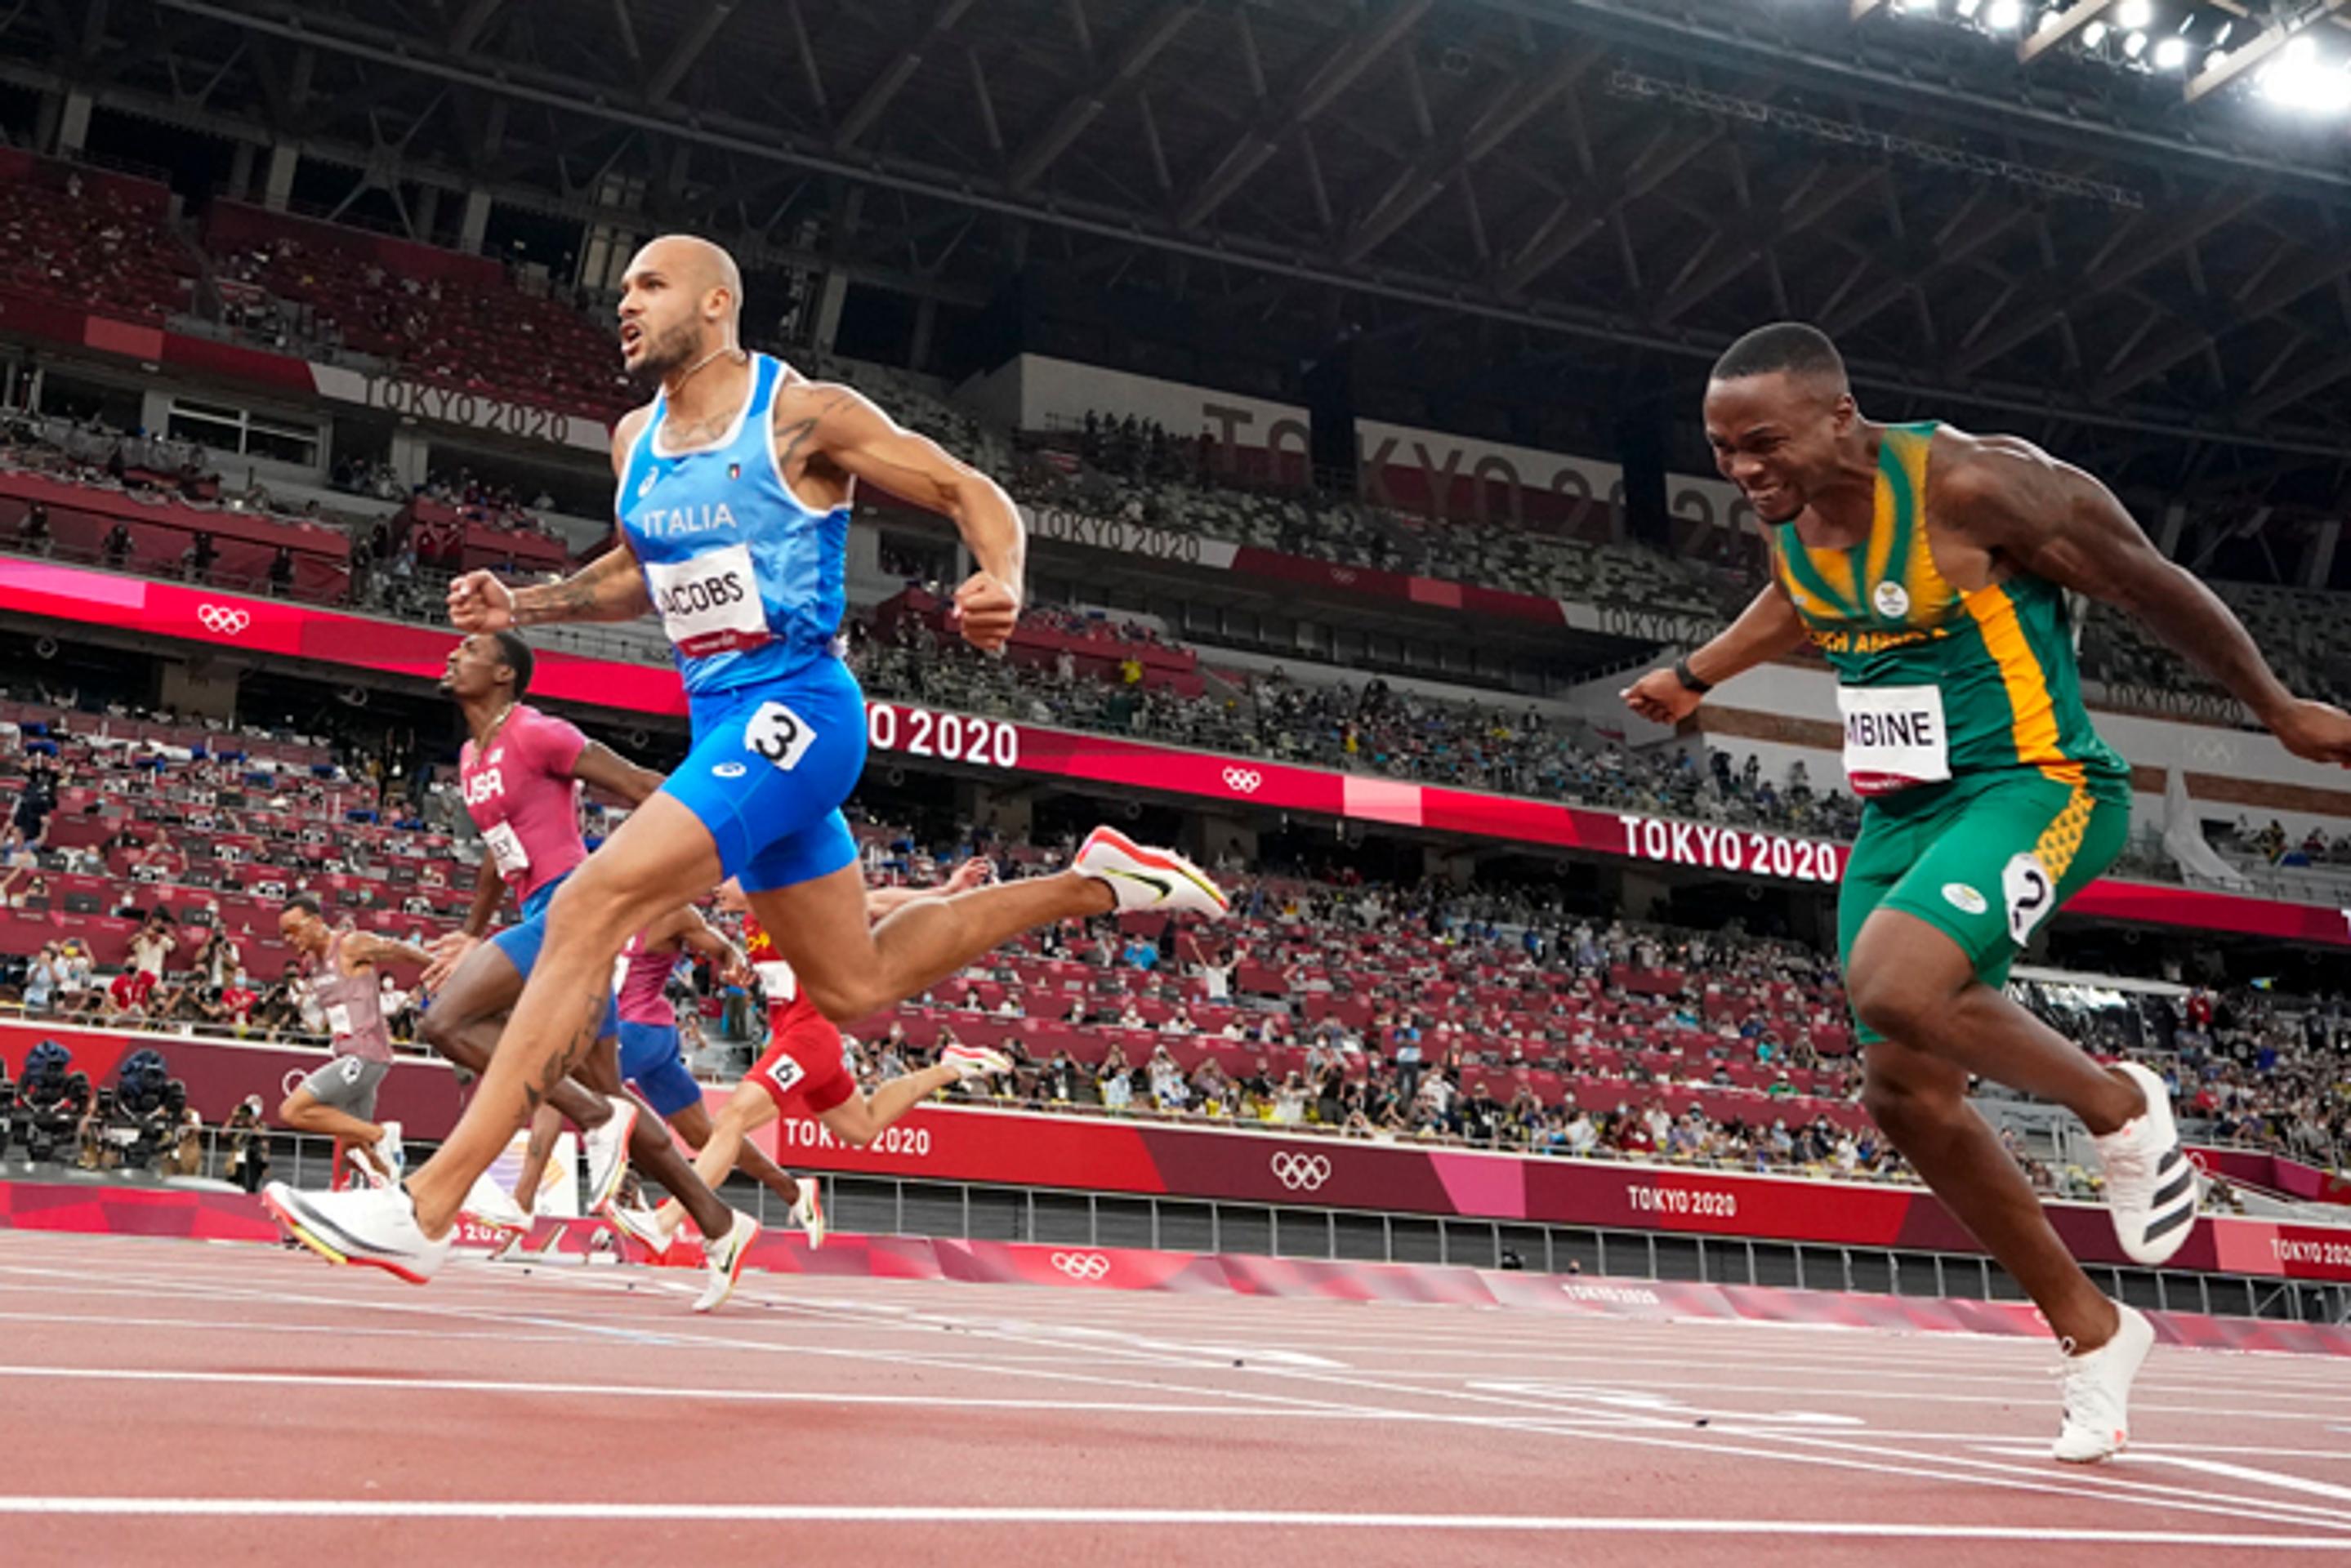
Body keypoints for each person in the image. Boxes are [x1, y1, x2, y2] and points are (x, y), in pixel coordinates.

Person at [262, 233, 1227, 1283]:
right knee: (855, 986)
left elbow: (966, 489)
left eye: (648, 284)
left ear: (716, 303)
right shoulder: (636, 437)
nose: (622, 302)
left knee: (591, 905)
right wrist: (525, 602)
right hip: (726, 727)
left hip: (801, 709)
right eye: (622, 286)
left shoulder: (802, 414)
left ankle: (431, 1206)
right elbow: (642, 572)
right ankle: (1102, 882)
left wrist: (1001, 578)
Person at [1622, 321, 2351, 1463]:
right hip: (1899, 812)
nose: (1743, 469)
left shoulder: (1977, 483)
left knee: (1899, 986)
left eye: (1761, 443)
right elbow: (1807, 601)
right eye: (1721, 451)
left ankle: (2119, 1106)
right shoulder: (1794, 520)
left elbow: (2152, 584)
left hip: (2036, 784)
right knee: (1900, 1090)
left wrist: (2276, 710)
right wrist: (1695, 671)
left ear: (1838, 416)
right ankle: (2092, 1331)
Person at [401, 630, 754, 1287]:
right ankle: (722, 1226)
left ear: (504, 674)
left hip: (577, 913)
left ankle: (593, 1120)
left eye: (471, 649)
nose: (452, 654)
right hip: (541, 914)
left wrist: (737, 828)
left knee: (445, 1022)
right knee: (609, 1091)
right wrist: (474, 930)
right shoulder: (473, 756)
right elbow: (495, 850)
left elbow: (642, 784)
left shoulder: (539, 732)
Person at [634, 871, 1014, 1310]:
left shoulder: (783, 897)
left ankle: (667, 1220)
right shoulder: (752, 925)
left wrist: (944, 893)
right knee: (862, 1126)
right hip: (799, 1037)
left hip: (808, 1037)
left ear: (753, 877)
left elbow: (872, 903)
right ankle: (947, 1069)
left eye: (728, 877)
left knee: (732, 1119)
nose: (717, 886)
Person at [265, 896, 429, 1196]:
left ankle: (383, 1133)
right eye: (284, 934)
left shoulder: (350, 945)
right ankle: (384, 1196)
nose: (290, 939)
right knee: (356, 1147)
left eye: (294, 930)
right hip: (347, 1054)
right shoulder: (311, 963)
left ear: (316, 922)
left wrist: (439, 968)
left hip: (365, 1056)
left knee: (292, 1111)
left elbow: (398, 950)